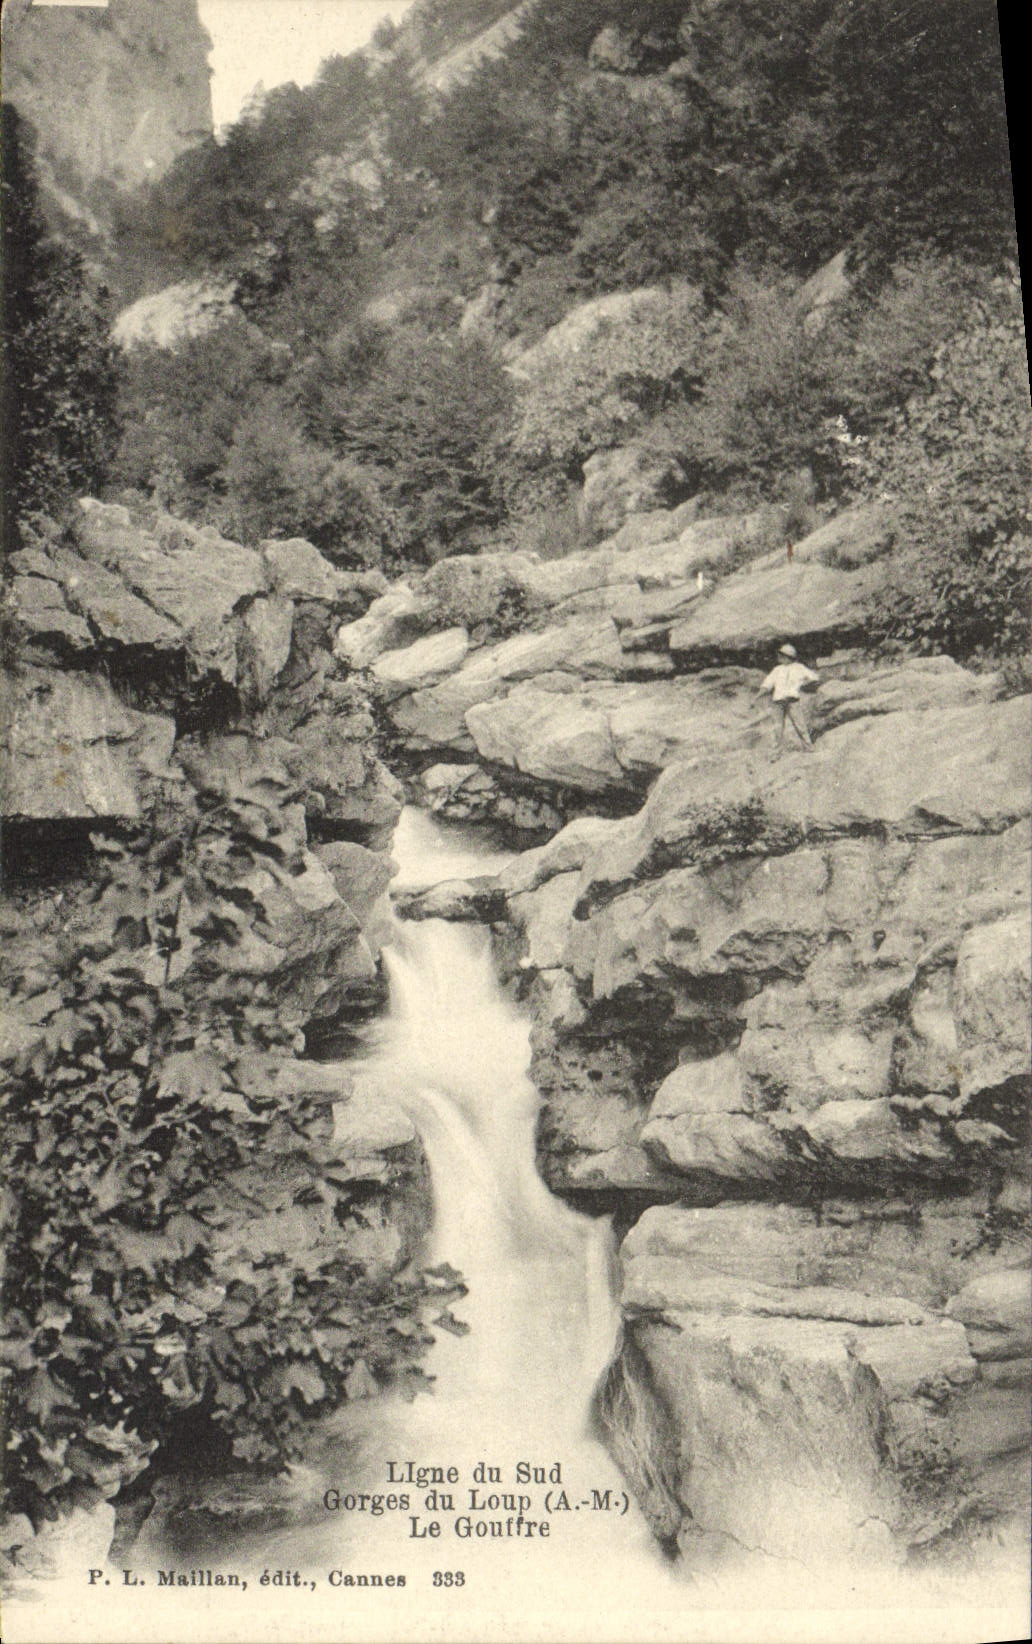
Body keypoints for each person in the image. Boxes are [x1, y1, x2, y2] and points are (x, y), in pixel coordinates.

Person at [757, 642, 818, 756]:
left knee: (800, 725)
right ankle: (776, 753)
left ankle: (809, 748)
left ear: (787, 657)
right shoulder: (777, 669)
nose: (779, 657)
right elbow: (766, 685)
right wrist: (757, 697)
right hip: (778, 703)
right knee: (777, 728)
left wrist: (801, 685)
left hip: (792, 701)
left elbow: (814, 677)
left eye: (781, 655)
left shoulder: (799, 667)